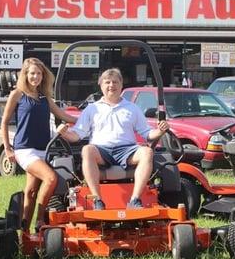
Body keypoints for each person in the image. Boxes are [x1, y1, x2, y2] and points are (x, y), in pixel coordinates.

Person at [57, 68, 169, 209]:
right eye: (107, 82)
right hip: (101, 151)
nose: (111, 85)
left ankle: (134, 200)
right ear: (101, 85)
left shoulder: (132, 108)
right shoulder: (92, 109)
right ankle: (97, 200)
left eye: (115, 82)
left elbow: (147, 133)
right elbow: (77, 134)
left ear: (121, 85)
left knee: (147, 152)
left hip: (127, 150)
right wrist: (64, 133)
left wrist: (160, 131)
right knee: (87, 150)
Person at [0, 58, 77, 232]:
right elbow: (4, 122)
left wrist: (91, 120)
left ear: (44, 76)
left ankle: (25, 233)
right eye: (32, 73)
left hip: (43, 150)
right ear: (25, 75)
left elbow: (66, 116)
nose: (36, 77)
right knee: (51, 178)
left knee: (31, 191)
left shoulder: (45, 98)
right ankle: (40, 220)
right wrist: (7, 148)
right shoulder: (18, 94)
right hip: (24, 150)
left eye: (39, 73)